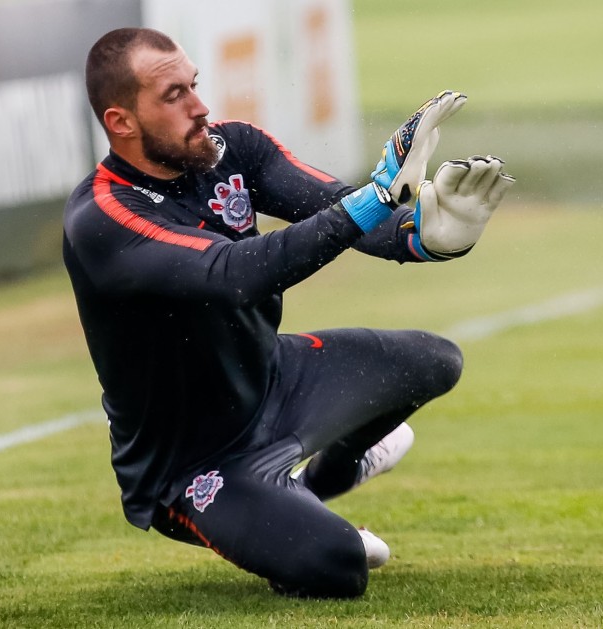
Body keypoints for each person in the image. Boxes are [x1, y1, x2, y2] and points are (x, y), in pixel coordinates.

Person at [62, 27, 514, 598]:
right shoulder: (102, 217)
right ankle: (284, 507)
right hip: (190, 464)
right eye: (173, 95)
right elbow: (231, 276)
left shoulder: (236, 148)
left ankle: (325, 477)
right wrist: (374, 199)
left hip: (274, 381)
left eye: (194, 85)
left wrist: (424, 237)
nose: (200, 107)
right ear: (121, 122)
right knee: (339, 565)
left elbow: (343, 210)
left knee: (435, 361)